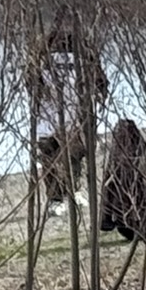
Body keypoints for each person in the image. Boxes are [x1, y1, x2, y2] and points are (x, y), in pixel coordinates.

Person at [29, 22, 108, 220]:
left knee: (56, 154)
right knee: (65, 154)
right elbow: (100, 81)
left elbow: (31, 84)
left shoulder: (42, 56)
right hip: (66, 112)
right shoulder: (83, 54)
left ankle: (61, 196)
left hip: (56, 113)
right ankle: (65, 194)